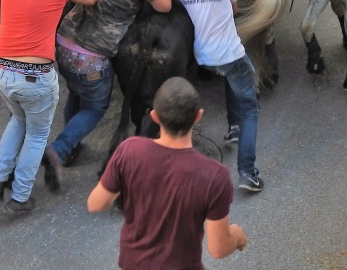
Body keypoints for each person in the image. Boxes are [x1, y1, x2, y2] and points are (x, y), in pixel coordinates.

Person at [0, 0, 111, 214]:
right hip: (36, 76)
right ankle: (20, 196)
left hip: (2, 70)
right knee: (38, 135)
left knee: (17, 119)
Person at [42, 0, 171, 190]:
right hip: (92, 54)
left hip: (64, 41)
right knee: (95, 107)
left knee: (77, 94)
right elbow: (164, 5)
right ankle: (58, 150)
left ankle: (71, 147)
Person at [87, 77, 247, 270]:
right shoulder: (215, 175)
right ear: (198, 116)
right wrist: (236, 236)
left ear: (155, 116)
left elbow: (96, 204)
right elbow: (218, 249)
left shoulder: (129, 150)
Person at [154, 0, 264, 192]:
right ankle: (247, 172)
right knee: (251, 109)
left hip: (202, 56)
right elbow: (234, 8)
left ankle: (232, 128)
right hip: (230, 53)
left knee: (231, 80)